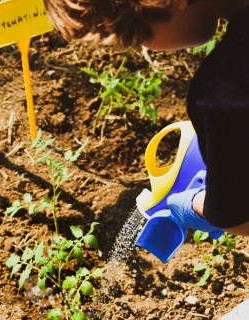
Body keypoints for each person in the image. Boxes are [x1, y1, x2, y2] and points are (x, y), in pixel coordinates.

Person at [44, 1, 249, 318]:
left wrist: (201, 204)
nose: (137, 49)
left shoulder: (223, 94)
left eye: (133, 35)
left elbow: (240, 217)